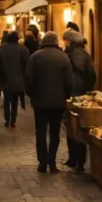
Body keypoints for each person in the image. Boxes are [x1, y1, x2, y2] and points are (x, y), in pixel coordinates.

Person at [25, 31, 74, 173]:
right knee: (55, 132)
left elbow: (28, 79)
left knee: (40, 132)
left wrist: (32, 95)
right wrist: (66, 96)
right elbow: (70, 82)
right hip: (58, 103)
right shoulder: (63, 58)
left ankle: (42, 162)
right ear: (56, 42)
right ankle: (52, 162)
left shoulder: (35, 57)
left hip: (40, 102)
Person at [63, 30, 97, 172]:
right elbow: (92, 75)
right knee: (82, 127)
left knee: (71, 126)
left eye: (65, 40)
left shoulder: (67, 55)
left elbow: (64, 75)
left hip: (70, 94)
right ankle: (81, 161)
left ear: (69, 41)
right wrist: (87, 90)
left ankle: (72, 158)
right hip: (82, 95)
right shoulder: (86, 55)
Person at [0, 31, 29, 128]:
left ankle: (7, 119)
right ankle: (13, 120)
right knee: (15, 101)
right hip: (18, 79)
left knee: (7, 99)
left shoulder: (2, 48)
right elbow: (26, 64)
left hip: (5, 78)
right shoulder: (23, 49)